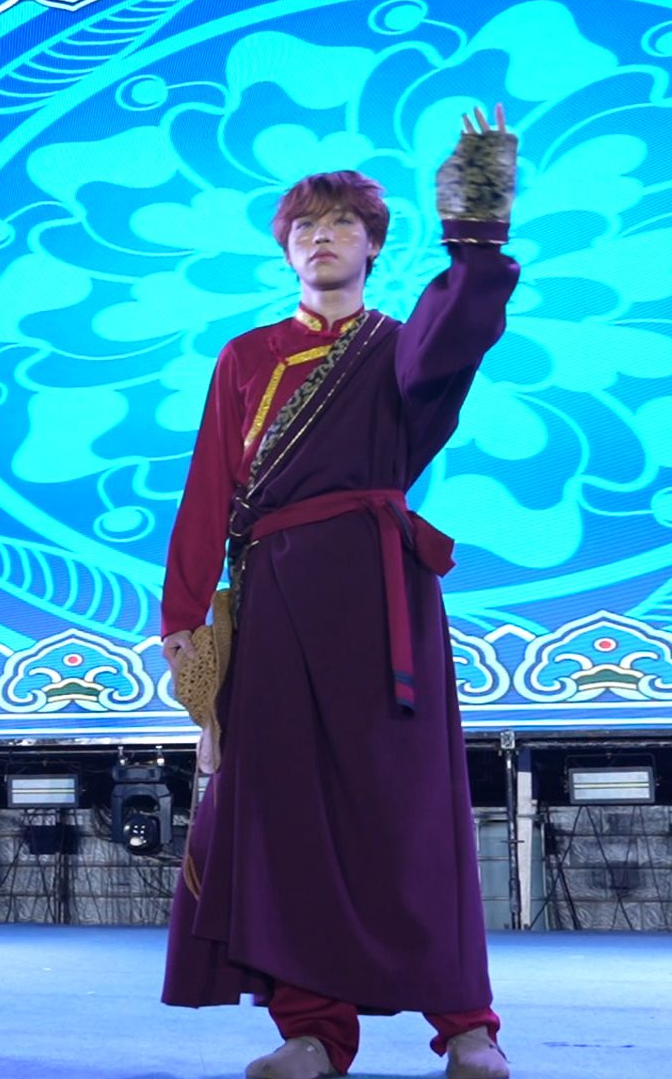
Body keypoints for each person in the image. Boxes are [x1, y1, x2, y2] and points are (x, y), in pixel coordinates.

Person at [160, 107, 521, 1079]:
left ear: (372, 246)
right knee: (285, 818)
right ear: (286, 250)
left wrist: (476, 236)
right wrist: (184, 616)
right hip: (273, 600)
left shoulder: (401, 346)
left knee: (410, 810)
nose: (321, 239)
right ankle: (313, 1031)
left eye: (341, 225)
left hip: (381, 598)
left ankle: (468, 1026)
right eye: (305, 227)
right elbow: (208, 489)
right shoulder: (243, 356)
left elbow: (459, 332)